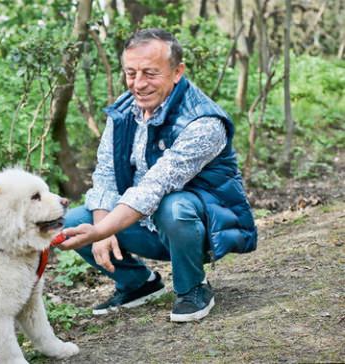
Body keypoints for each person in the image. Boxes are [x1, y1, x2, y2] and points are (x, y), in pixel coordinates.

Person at [58, 28, 257, 322]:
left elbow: (155, 185)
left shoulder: (204, 122)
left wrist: (103, 231)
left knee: (171, 205)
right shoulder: (125, 111)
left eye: (150, 73)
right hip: (145, 225)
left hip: (198, 230)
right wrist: (100, 226)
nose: (138, 84)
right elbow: (106, 172)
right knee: (77, 220)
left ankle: (192, 288)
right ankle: (138, 283)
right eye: (131, 73)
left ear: (177, 72)